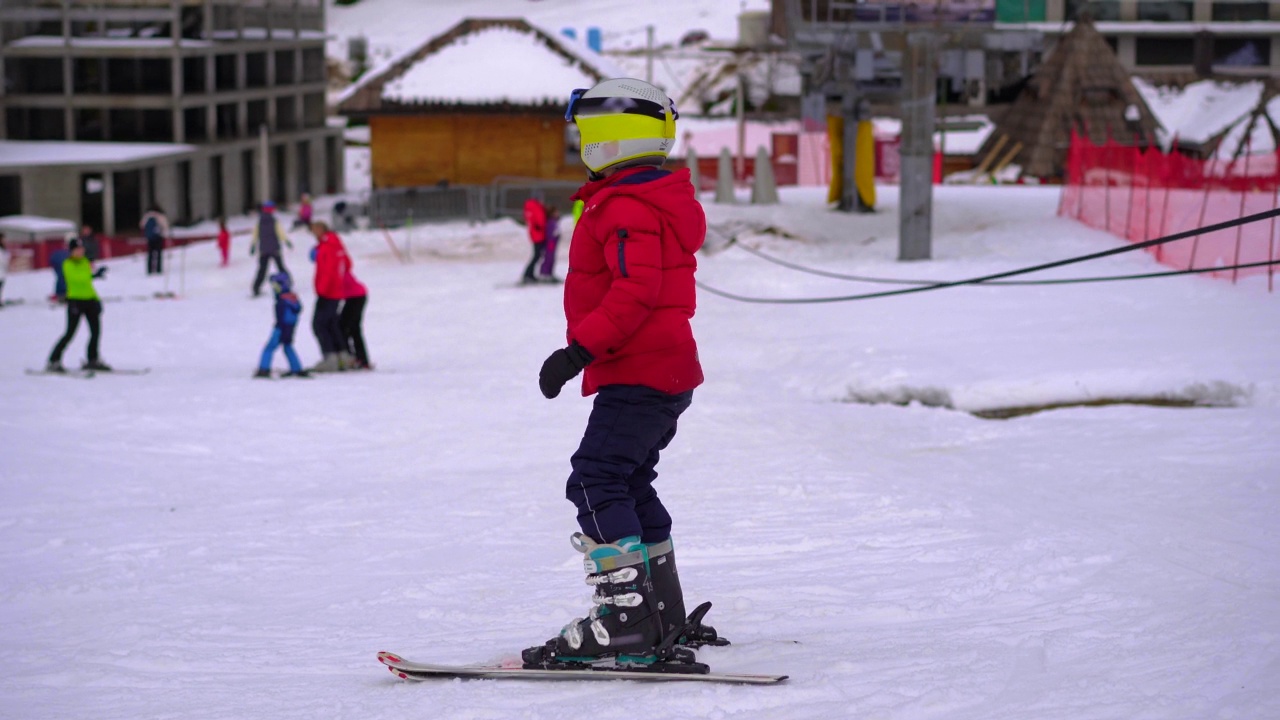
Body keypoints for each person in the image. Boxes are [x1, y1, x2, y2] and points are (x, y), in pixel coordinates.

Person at [522, 78, 708, 670]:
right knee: (627, 481)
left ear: (608, 140)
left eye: (585, 134)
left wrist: (579, 350)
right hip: (660, 369)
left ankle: (627, 623)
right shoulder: (645, 197)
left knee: (595, 481)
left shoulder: (627, 205)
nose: (581, 144)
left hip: (640, 371)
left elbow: (636, 289)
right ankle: (663, 615)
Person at [46, 237, 110, 372]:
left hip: (90, 300)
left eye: (82, 249)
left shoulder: (85, 262)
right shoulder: (68, 264)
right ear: (71, 251)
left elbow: (87, 284)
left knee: (95, 332)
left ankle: (92, 358)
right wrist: (93, 274)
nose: (80, 252)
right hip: (75, 301)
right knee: (70, 333)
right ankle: (54, 360)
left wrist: (96, 298)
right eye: (77, 249)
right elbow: (77, 279)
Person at [308, 221, 350, 372]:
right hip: (336, 291)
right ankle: (342, 356)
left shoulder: (328, 247)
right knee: (332, 324)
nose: (313, 233)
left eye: (315, 229)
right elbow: (347, 263)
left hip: (328, 292)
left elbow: (328, 271)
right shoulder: (335, 243)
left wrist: (322, 289)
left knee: (319, 324)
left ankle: (330, 356)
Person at [255, 271, 309, 379]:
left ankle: (263, 368)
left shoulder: (283, 301)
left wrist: (281, 328)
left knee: (269, 348)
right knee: (288, 346)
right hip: (289, 328)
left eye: (275, 286)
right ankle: (296, 368)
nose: (273, 288)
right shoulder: (292, 298)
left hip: (280, 328)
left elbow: (285, 317)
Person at [250, 201, 292, 297]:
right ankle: (288, 282)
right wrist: (286, 241)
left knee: (262, 269)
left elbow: (255, 234)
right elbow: (280, 233)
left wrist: (253, 245)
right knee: (281, 267)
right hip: (274, 249)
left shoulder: (259, 221)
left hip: (263, 250)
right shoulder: (274, 221)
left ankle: (256, 287)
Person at [339, 248, 371, 370]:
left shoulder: (336, 269)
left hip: (356, 297)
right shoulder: (340, 266)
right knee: (352, 329)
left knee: (344, 327)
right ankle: (361, 359)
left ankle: (354, 359)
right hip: (358, 295)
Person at [521, 197, 547, 284]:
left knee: (536, 255)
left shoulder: (529, 208)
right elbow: (540, 221)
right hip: (538, 235)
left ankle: (530, 274)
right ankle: (527, 274)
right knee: (536, 256)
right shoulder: (536, 208)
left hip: (534, 234)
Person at [140, 206, 169, 275]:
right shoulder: (160, 216)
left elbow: (142, 225)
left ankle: (149, 270)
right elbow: (165, 226)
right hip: (158, 237)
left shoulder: (147, 216)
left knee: (150, 254)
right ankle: (158, 269)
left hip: (150, 238)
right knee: (158, 254)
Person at [538, 206, 562, 283]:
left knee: (552, 259)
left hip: (553, 243)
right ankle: (544, 273)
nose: (557, 214)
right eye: (555, 212)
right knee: (548, 258)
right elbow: (550, 233)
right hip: (550, 243)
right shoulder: (551, 222)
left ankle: (549, 273)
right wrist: (555, 236)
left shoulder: (554, 221)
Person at [0, 233, 9, 307]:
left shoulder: (3, 249)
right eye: (3, 239)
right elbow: (2, 260)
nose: (4, 240)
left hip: (2, 272)